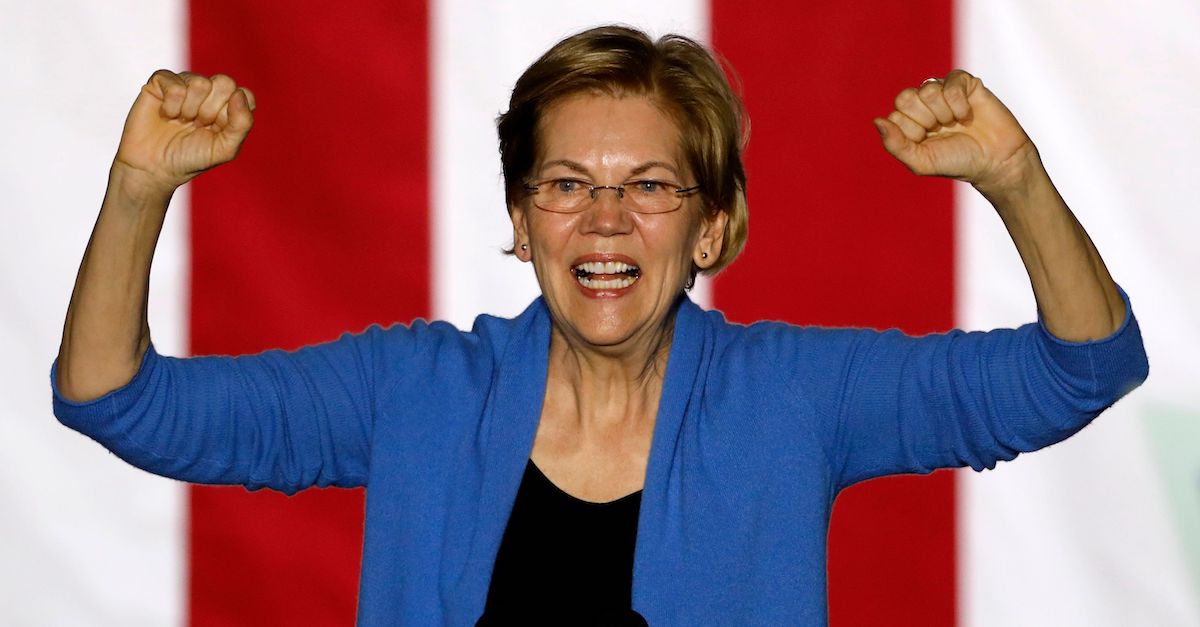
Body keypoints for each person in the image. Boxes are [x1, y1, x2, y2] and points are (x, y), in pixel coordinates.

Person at [52, 25, 1147, 626]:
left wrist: (1014, 179)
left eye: (653, 187)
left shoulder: (793, 397)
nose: (607, 217)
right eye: (567, 184)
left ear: (712, 229)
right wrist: (140, 188)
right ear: (523, 225)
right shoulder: (415, 392)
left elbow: (1084, 369)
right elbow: (114, 398)